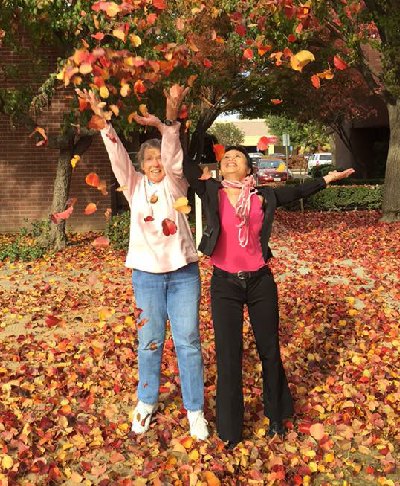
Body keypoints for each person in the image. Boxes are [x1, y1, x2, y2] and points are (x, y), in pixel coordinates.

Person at [184, 146, 354, 448]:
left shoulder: (263, 196)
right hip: (224, 285)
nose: (231, 159)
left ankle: (276, 415)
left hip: (260, 281)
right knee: (228, 355)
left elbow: (298, 191)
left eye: (238, 157)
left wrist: (327, 178)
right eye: (226, 159)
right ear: (220, 170)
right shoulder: (212, 191)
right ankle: (230, 430)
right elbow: (183, 164)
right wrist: (171, 121)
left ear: (249, 169)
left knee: (270, 352)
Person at [79, 85, 209, 440]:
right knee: (149, 340)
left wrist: (169, 119)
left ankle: (194, 409)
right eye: (148, 159)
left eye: (158, 159)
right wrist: (104, 121)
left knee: (188, 341)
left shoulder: (176, 184)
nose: (155, 163)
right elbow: (117, 155)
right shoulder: (133, 186)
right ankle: (147, 400)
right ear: (140, 166)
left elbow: (173, 155)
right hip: (146, 278)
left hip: (183, 273)